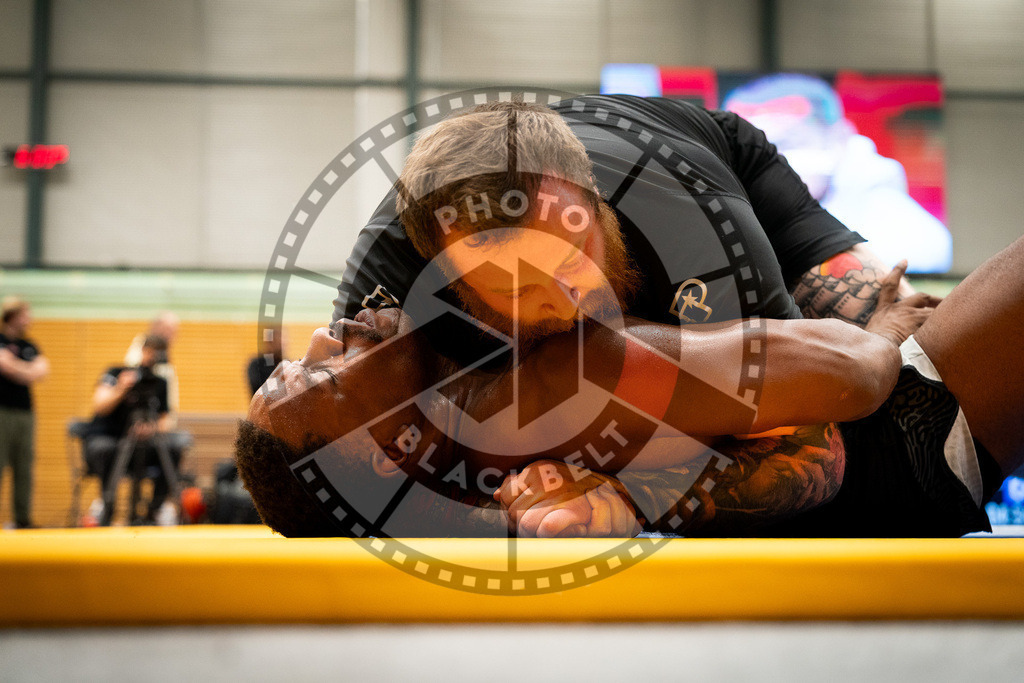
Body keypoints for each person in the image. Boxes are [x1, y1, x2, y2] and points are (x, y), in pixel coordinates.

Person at [235, 233, 1023, 538]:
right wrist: (885, 327)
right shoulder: (548, 384)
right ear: (377, 454)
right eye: (318, 376)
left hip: (874, 476)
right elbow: (851, 375)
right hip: (909, 419)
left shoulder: (466, 494)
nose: (321, 335)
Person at [334, 97, 913, 366]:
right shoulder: (390, 274)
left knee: (898, 334)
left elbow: (800, 389)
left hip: (720, 159)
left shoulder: (690, 214)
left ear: (593, 199)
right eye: (513, 290)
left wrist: (878, 339)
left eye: (571, 259)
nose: (565, 299)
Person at [723, 73, 952, 273]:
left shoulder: (910, 236)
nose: (768, 161)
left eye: (789, 143)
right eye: (749, 151)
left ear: (840, 138)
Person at [85, 335, 185, 525]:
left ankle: (154, 510)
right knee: (102, 448)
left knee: (174, 448)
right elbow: (100, 405)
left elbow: (165, 420)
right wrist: (122, 388)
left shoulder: (159, 383)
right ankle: (107, 507)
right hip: (113, 443)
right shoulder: (115, 372)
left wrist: (151, 428)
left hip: (142, 446)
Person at [0, 297, 50, 529]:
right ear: (13, 315)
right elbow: (5, 365)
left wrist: (16, 368)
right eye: (26, 314)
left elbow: (41, 370)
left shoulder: (30, 345)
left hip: (25, 412)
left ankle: (22, 518)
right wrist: (25, 369)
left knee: (24, 465)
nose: (29, 319)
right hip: (3, 411)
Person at [125, 311, 180, 420]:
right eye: (169, 330)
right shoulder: (141, 345)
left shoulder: (164, 351)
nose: (172, 335)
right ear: (157, 327)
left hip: (161, 412)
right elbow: (133, 373)